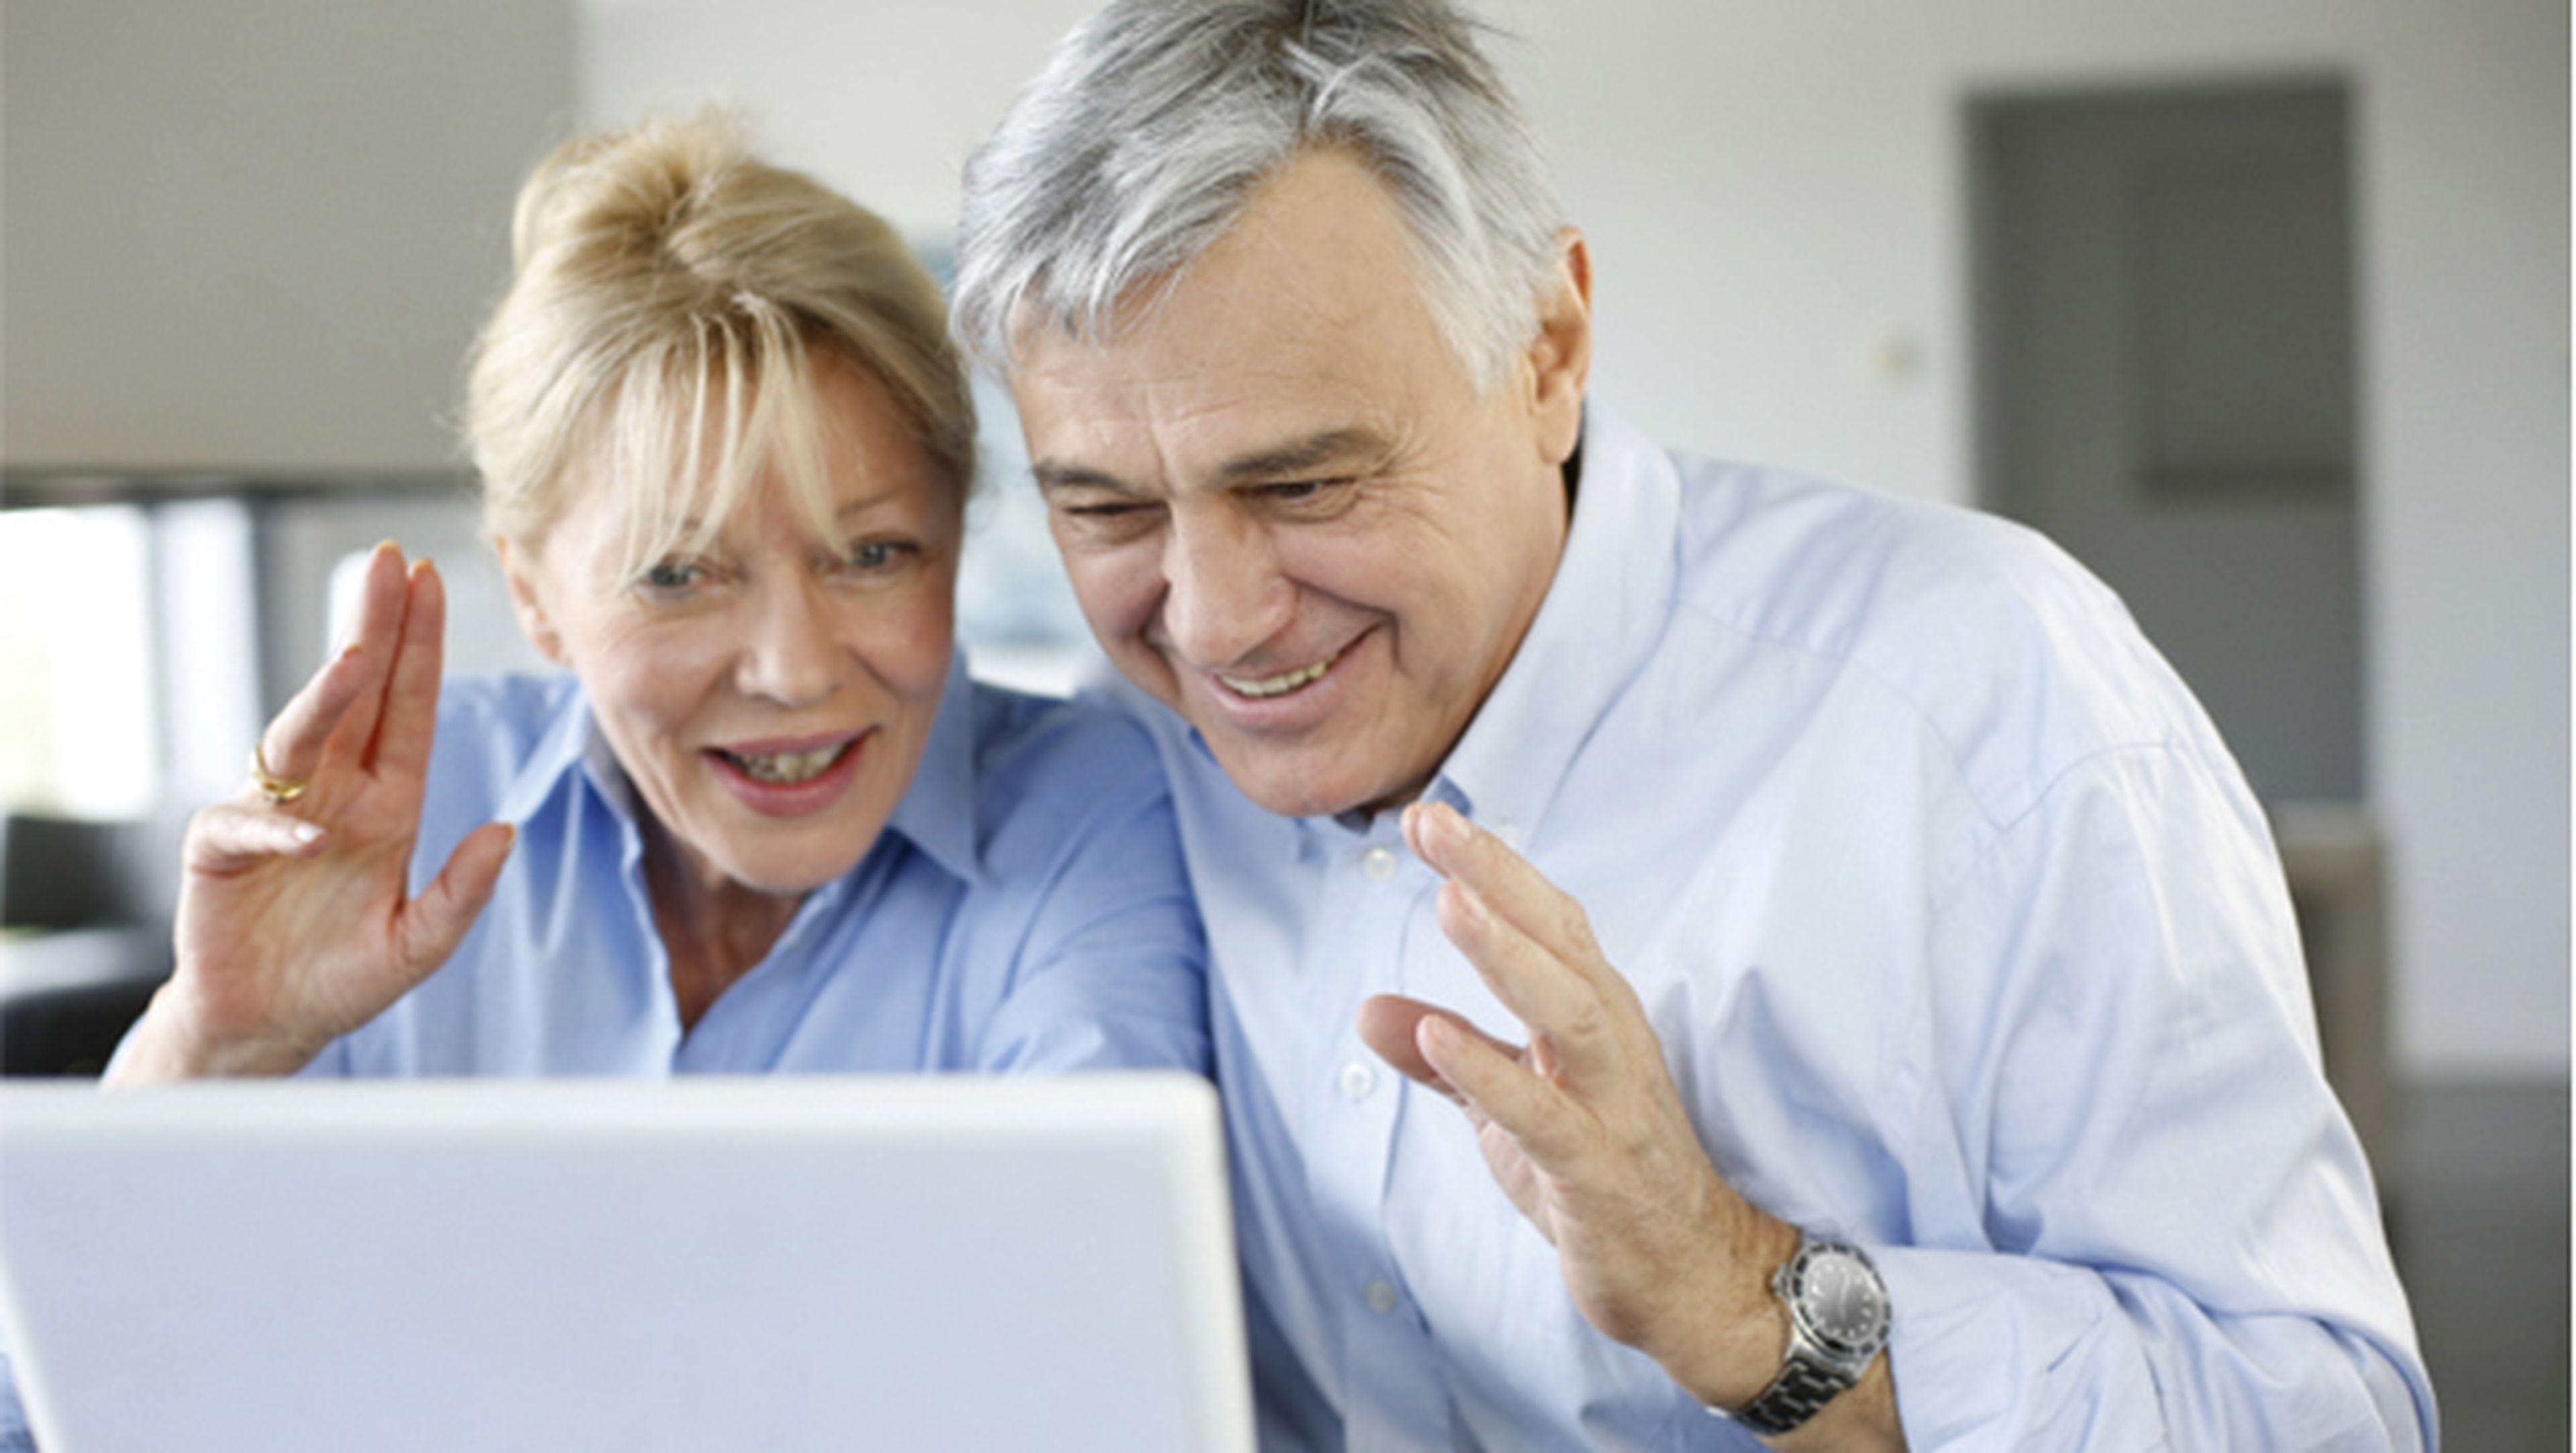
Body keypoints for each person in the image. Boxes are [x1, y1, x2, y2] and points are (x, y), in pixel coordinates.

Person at [951, 1, 2435, 1448]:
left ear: (1547, 347)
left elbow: (2314, 1414)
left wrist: (1747, 1301)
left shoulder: (1983, 703)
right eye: (1108, 508)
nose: (1211, 624)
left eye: (1304, 486)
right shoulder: (1122, 761)